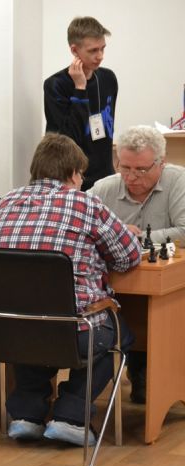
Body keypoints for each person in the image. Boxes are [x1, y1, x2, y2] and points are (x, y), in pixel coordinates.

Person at [0, 133, 141, 446]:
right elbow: (128, 257)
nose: (82, 182)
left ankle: (26, 415)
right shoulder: (86, 203)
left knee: (32, 318)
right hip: (72, 331)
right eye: (81, 175)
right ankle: (70, 416)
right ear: (72, 173)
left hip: (8, 332)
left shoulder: (5, 203)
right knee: (118, 334)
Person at [89, 125, 185, 403]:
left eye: (141, 170)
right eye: (125, 167)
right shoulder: (103, 189)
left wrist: (136, 237)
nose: (131, 177)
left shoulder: (179, 181)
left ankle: (156, 374)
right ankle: (138, 369)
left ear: (161, 163)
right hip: (117, 285)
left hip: (171, 283)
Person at [43, 16, 116, 191]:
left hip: (105, 175)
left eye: (102, 49)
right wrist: (80, 89)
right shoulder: (56, 85)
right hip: (70, 177)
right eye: (93, 50)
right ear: (74, 50)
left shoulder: (108, 78)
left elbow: (106, 129)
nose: (100, 56)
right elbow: (68, 137)